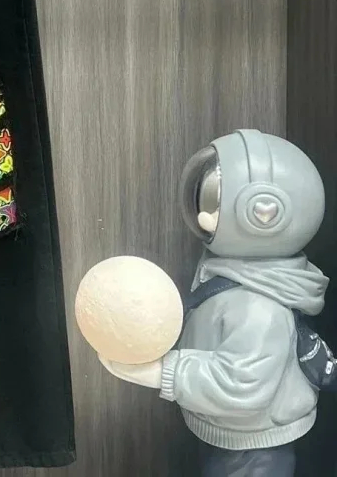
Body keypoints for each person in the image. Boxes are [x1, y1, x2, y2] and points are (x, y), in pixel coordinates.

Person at [101, 130, 330, 477]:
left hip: (253, 449)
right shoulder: (234, 271)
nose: (205, 218)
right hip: (230, 432)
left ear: (264, 215)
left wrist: (163, 371)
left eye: (218, 207)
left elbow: (241, 386)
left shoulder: (259, 308)